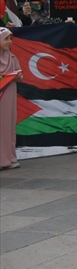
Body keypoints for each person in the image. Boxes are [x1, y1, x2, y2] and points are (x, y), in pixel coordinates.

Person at [1, 27, 22, 169]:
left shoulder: (12, 57)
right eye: (6, 39)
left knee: (8, 126)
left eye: (10, 39)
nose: (9, 42)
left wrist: (17, 76)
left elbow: (20, 75)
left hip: (9, 96)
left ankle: (9, 157)